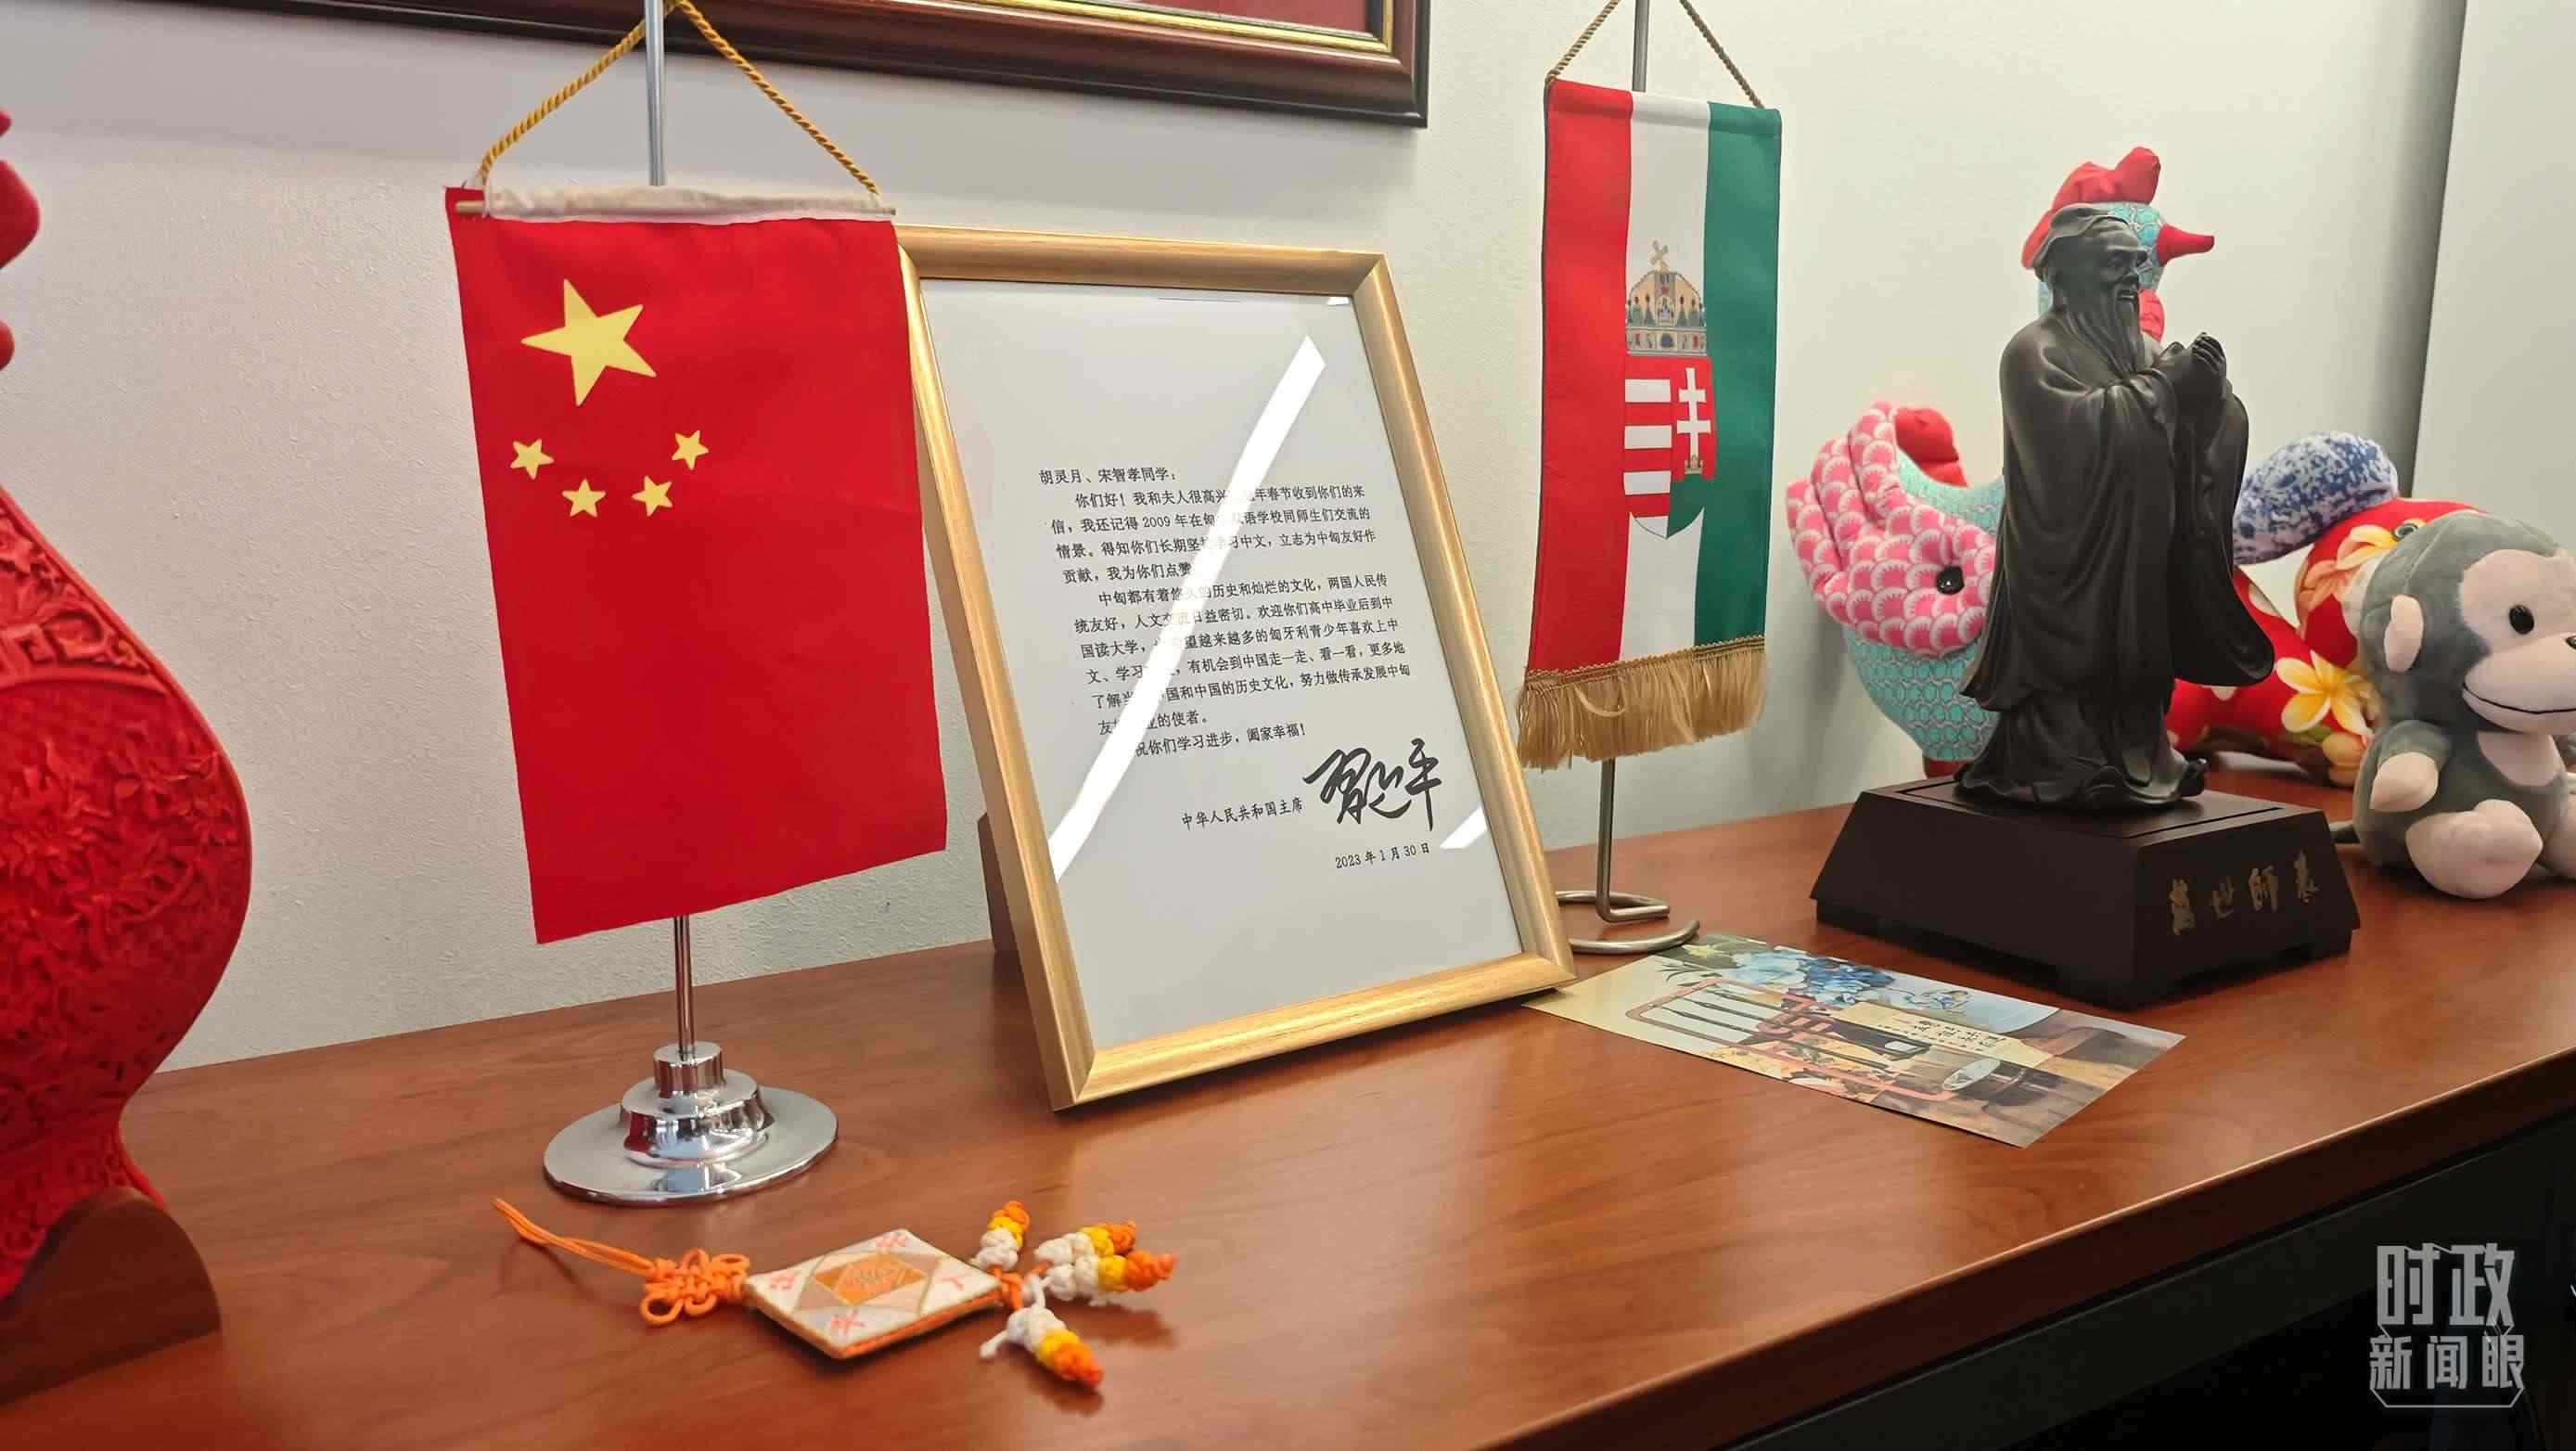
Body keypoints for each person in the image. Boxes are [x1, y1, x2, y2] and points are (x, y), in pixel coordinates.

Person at [1956, 204, 2271, 808]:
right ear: (2066, 273)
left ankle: (2143, 761)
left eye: (2135, 263)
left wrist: (2208, 399)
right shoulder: (2033, 353)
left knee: (2138, 654)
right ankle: (2058, 765)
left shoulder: (2143, 348)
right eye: (2113, 264)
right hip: (2066, 554)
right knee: (2072, 675)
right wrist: (2164, 387)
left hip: (2141, 547)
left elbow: (2191, 425)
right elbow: (2072, 440)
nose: (2131, 277)